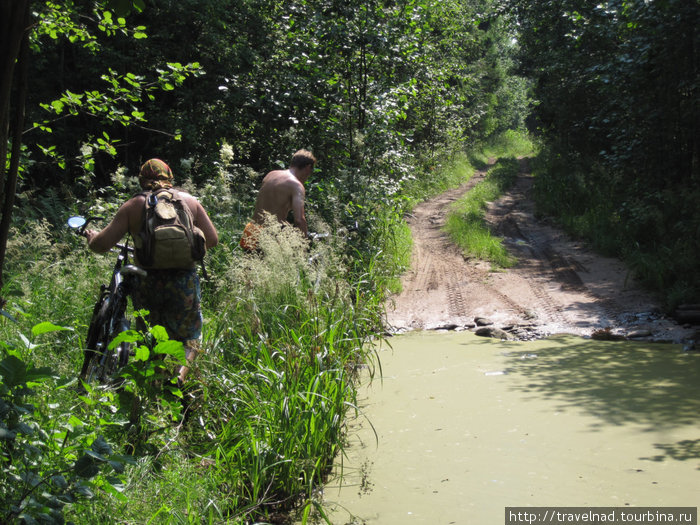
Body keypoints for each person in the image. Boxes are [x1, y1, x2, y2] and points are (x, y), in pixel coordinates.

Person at [84, 158, 218, 385]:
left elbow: (101, 246)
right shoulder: (189, 201)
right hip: (184, 281)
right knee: (191, 338)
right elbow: (213, 239)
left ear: (141, 179)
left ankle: (150, 395)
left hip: (147, 283)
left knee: (150, 340)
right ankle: (178, 377)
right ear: (169, 176)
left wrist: (91, 237)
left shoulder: (134, 205)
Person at [240, 149, 316, 252]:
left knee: (248, 267)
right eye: (311, 171)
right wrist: (304, 246)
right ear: (308, 167)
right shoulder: (296, 185)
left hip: (252, 231)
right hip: (271, 235)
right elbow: (299, 220)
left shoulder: (271, 175)